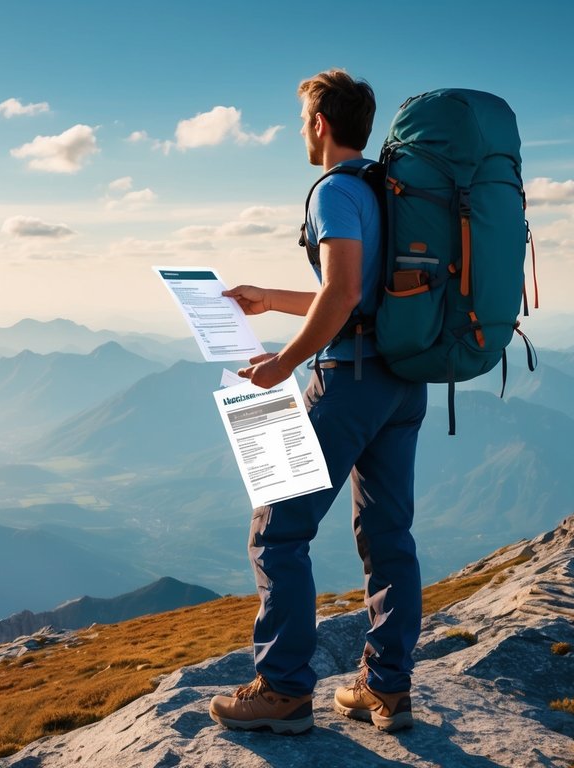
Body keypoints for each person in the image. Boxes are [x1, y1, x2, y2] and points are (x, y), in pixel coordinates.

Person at [207, 69, 427, 735]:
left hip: (348, 380)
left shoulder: (333, 190)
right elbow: (364, 295)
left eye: (303, 119)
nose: (301, 130)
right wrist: (268, 299)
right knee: (388, 537)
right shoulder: (390, 191)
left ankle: (281, 691)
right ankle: (385, 690)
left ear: (320, 124)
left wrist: (284, 361)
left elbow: (339, 294)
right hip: (402, 378)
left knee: (278, 530)